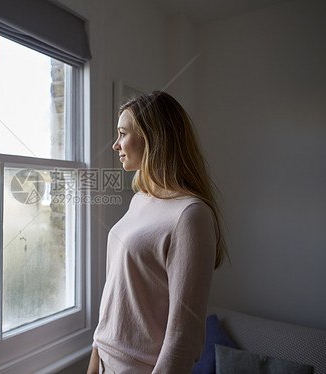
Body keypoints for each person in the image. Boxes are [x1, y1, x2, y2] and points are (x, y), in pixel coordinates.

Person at [87, 91, 228, 374]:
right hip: (103, 362)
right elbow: (115, 296)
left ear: (153, 138)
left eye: (123, 133)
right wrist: (94, 363)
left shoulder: (191, 215)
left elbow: (183, 337)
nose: (115, 145)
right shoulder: (140, 200)